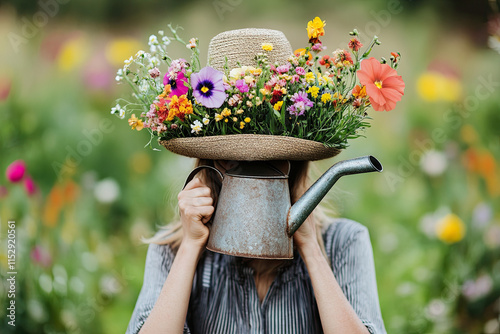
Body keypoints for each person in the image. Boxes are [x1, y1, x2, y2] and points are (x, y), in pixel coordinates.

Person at [125, 159, 387, 334]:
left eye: (270, 161)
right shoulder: (172, 250)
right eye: (235, 160)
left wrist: (310, 248)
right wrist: (190, 246)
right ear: (213, 163)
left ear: (296, 163)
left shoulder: (343, 241)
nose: (254, 172)